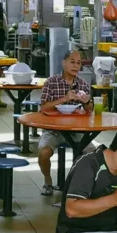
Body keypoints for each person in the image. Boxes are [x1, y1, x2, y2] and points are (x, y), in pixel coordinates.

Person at [38, 50, 92, 195]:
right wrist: (64, 99)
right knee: (44, 152)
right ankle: (48, 180)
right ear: (63, 63)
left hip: (76, 130)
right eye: (72, 62)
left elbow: (89, 110)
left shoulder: (83, 84)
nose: (76, 66)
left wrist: (87, 102)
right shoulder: (51, 82)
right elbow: (43, 107)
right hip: (53, 129)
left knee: (93, 154)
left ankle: (77, 185)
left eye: (79, 63)